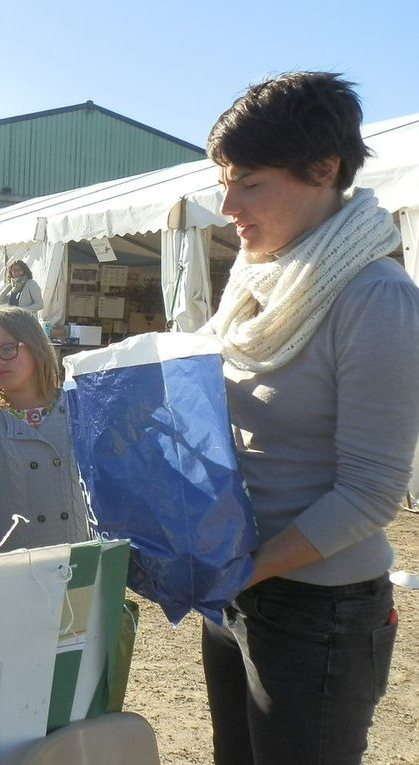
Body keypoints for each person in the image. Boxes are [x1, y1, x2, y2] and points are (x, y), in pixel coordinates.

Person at [200, 72, 419, 765]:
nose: (228, 203)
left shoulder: (375, 297)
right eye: (223, 182)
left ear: (324, 170)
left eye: (249, 182)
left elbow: (370, 494)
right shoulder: (260, 277)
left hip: (317, 611)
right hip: (241, 588)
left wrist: (245, 569)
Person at [0, 306, 89, 552]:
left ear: (35, 345)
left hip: (80, 564)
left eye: (8, 349)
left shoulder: (79, 413)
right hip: (15, 574)